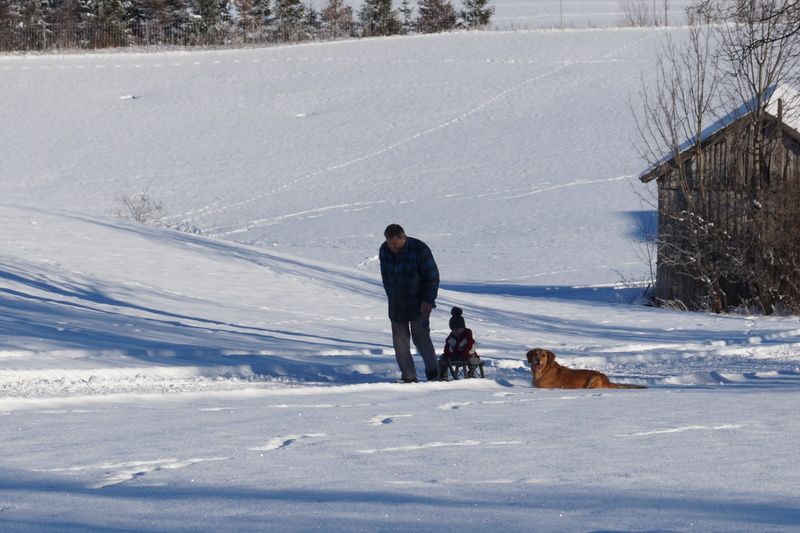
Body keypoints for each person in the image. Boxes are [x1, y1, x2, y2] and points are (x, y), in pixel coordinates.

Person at [379, 224, 440, 383]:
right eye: (390, 243)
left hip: (419, 302)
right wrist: (391, 295)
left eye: (396, 244)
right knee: (399, 341)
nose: (393, 247)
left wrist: (428, 300)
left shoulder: (420, 250)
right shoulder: (384, 250)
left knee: (421, 337)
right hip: (397, 304)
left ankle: (434, 372)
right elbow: (385, 275)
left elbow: (432, 276)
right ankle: (409, 376)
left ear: (403, 238)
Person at [438, 307, 481, 380]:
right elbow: (447, 347)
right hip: (455, 355)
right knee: (442, 358)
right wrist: (448, 354)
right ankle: (443, 376)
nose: (456, 331)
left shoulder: (467, 336)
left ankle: (471, 372)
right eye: (454, 329)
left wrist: (465, 353)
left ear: (463, 328)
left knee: (473, 359)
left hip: (468, 355)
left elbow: (469, 347)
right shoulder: (451, 338)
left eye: (458, 329)